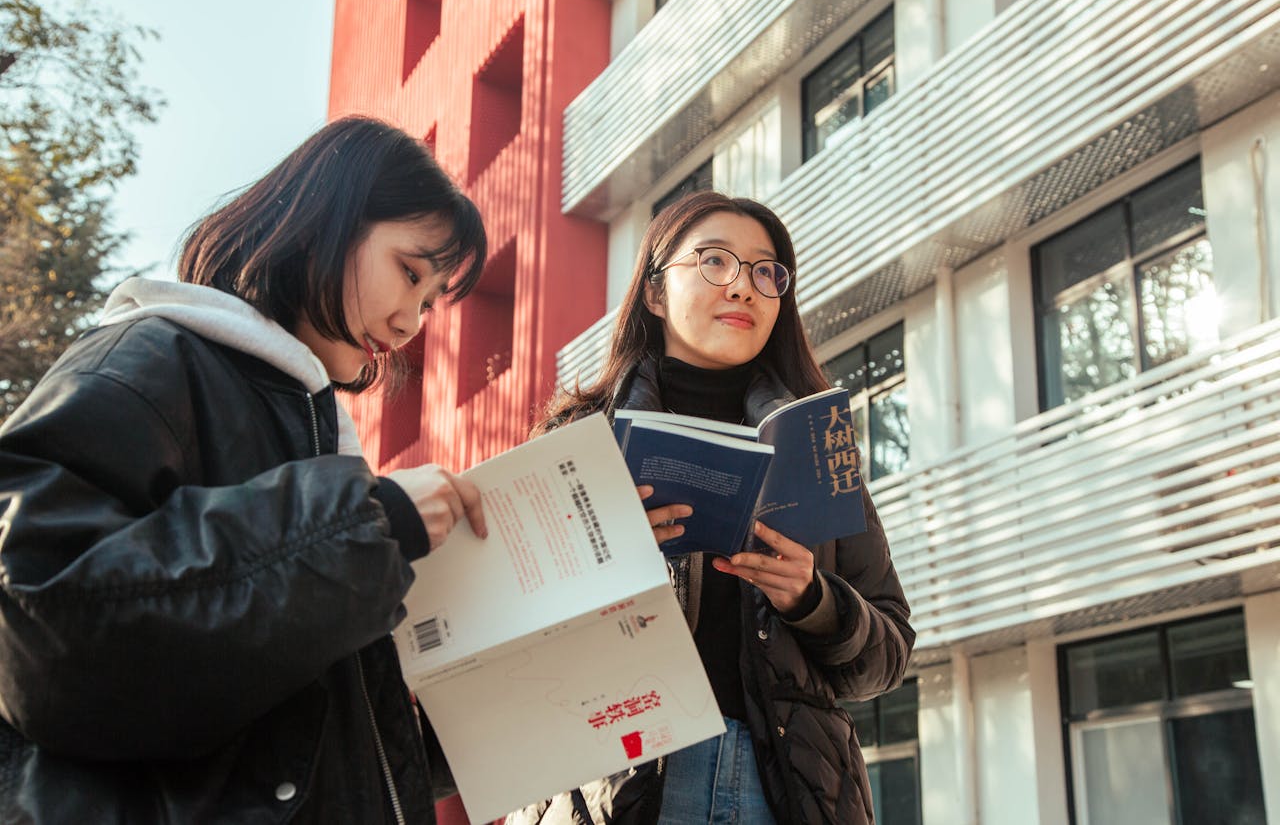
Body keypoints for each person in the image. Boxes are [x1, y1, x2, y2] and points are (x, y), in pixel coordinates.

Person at [0, 116, 490, 824]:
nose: (412, 321)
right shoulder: (149, 358)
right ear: (324, 220)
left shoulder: (319, 441)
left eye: (427, 300)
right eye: (409, 273)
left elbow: (305, 739)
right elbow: (34, 619)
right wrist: (367, 523)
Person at [513, 191, 915, 825]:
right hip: (619, 784)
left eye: (765, 271)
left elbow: (888, 656)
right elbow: (507, 638)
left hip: (784, 788)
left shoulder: (815, 443)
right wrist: (607, 561)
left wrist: (812, 600)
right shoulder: (580, 437)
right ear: (653, 291)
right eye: (714, 262)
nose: (743, 287)